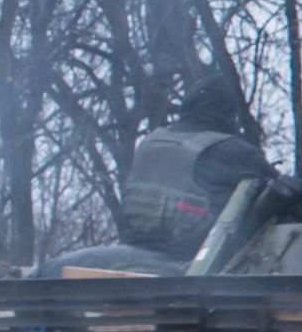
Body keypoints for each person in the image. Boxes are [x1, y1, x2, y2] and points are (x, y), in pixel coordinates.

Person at [115, 70, 274, 260]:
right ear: (230, 113)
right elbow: (276, 190)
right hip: (191, 260)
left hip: (131, 247)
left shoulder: (149, 143)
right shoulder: (233, 151)